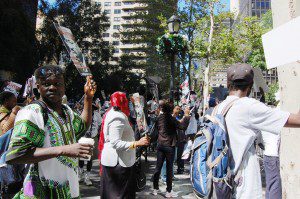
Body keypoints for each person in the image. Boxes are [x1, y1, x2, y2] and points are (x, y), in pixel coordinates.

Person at [6, 65, 96, 198]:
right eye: (46, 84)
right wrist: (64, 149)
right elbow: (15, 155)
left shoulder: (66, 111)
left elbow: (82, 126)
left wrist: (88, 98)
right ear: (38, 86)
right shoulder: (32, 112)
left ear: (64, 86)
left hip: (70, 190)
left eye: (57, 84)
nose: (53, 87)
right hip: (41, 192)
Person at [214, 63, 300, 198]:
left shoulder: (218, 108)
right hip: (244, 187)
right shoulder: (249, 106)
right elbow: (298, 120)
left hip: (222, 183)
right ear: (251, 84)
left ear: (227, 83)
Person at [99, 92, 150, 199]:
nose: (127, 103)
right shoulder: (117, 117)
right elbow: (115, 143)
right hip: (118, 164)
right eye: (125, 100)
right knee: (120, 195)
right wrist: (137, 143)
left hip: (117, 162)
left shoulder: (112, 112)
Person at [152, 100, 190, 198]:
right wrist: (186, 116)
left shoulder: (159, 118)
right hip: (170, 146)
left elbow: (155, 132)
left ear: (162, 109)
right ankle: (168, 191)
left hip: (160, 145)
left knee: (158, 167)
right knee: (169, 168)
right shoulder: (171, 119)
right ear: (170, 110)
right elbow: (183, 127)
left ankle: (155, 188)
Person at [79, 103, 102, 186]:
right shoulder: (82, 114)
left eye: (92, 107)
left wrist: (98, 136)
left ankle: (87, 177)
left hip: (92, 137)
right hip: (83, 137)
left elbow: (100, 125)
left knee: (90, 159)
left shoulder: (97, 115)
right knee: (81, 158)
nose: (90, 108)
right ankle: (80, 174)